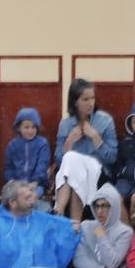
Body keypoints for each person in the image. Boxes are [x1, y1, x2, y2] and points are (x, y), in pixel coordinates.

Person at [52, 78, 118, 219]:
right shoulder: (65, 124)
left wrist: (96, 138)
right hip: (74, 174)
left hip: (99, 172)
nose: (91, 103)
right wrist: (69, 142)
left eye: (92, 98)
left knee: (72, 161)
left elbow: (112, 158)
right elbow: (58, 162)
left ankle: (59, 209)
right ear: (75, 102)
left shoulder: (105, 121)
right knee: (73, 165)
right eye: (85, 99)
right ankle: (75, 224)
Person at [73, 185, 133, 268]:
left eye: (105, 206)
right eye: (96, 206)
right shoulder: (86, 225)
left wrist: (101, 236)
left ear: (114, 207)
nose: (99, 211)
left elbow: (112, 263)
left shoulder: (125, 232)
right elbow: (79, 258)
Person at [3, 108, 52, 197]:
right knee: (12, 197)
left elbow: (42, 165)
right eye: (26, 127)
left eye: (33, 127)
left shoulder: (42, 144)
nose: (30, 131)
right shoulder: (12, 145)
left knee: (31, 196)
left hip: (37, 184)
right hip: (16, 185)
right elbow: (9, 168)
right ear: (19, 128)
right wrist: (13, 182)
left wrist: (35, 182)